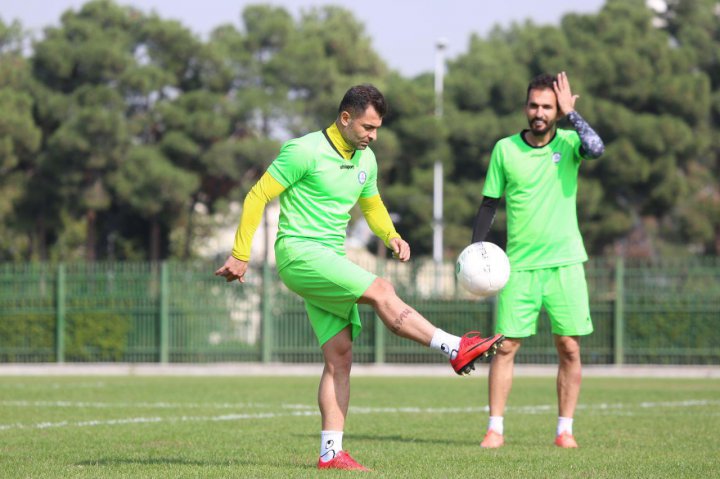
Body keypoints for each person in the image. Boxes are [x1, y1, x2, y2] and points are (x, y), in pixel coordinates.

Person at [215, 84, 504, 471]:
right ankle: (454, 347)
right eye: (368, 127)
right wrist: (240, 253)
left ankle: (330, 453)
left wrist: (392, 235)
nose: (373, 135)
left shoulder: (367, 160)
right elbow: (257, 196)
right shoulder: (303, 150)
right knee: (382, 289)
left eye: (378, 128)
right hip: (299, 253)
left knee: (340, 357)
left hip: (329, 258)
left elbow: (373, 204)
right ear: (345, 118)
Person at [471, 72, 605, 449]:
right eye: (534, 105)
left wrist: (572, 115)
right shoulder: (505, 149)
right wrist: (475, 251)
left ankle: (565, 430)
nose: (540, 112)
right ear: (525, 107)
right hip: (520, 268)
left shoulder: (570, 142)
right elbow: (488, 205)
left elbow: (597, 149)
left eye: (547, 106)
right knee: (506, 347)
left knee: (569, 347)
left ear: (557, 110)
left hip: (566, 264)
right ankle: (495, 428)